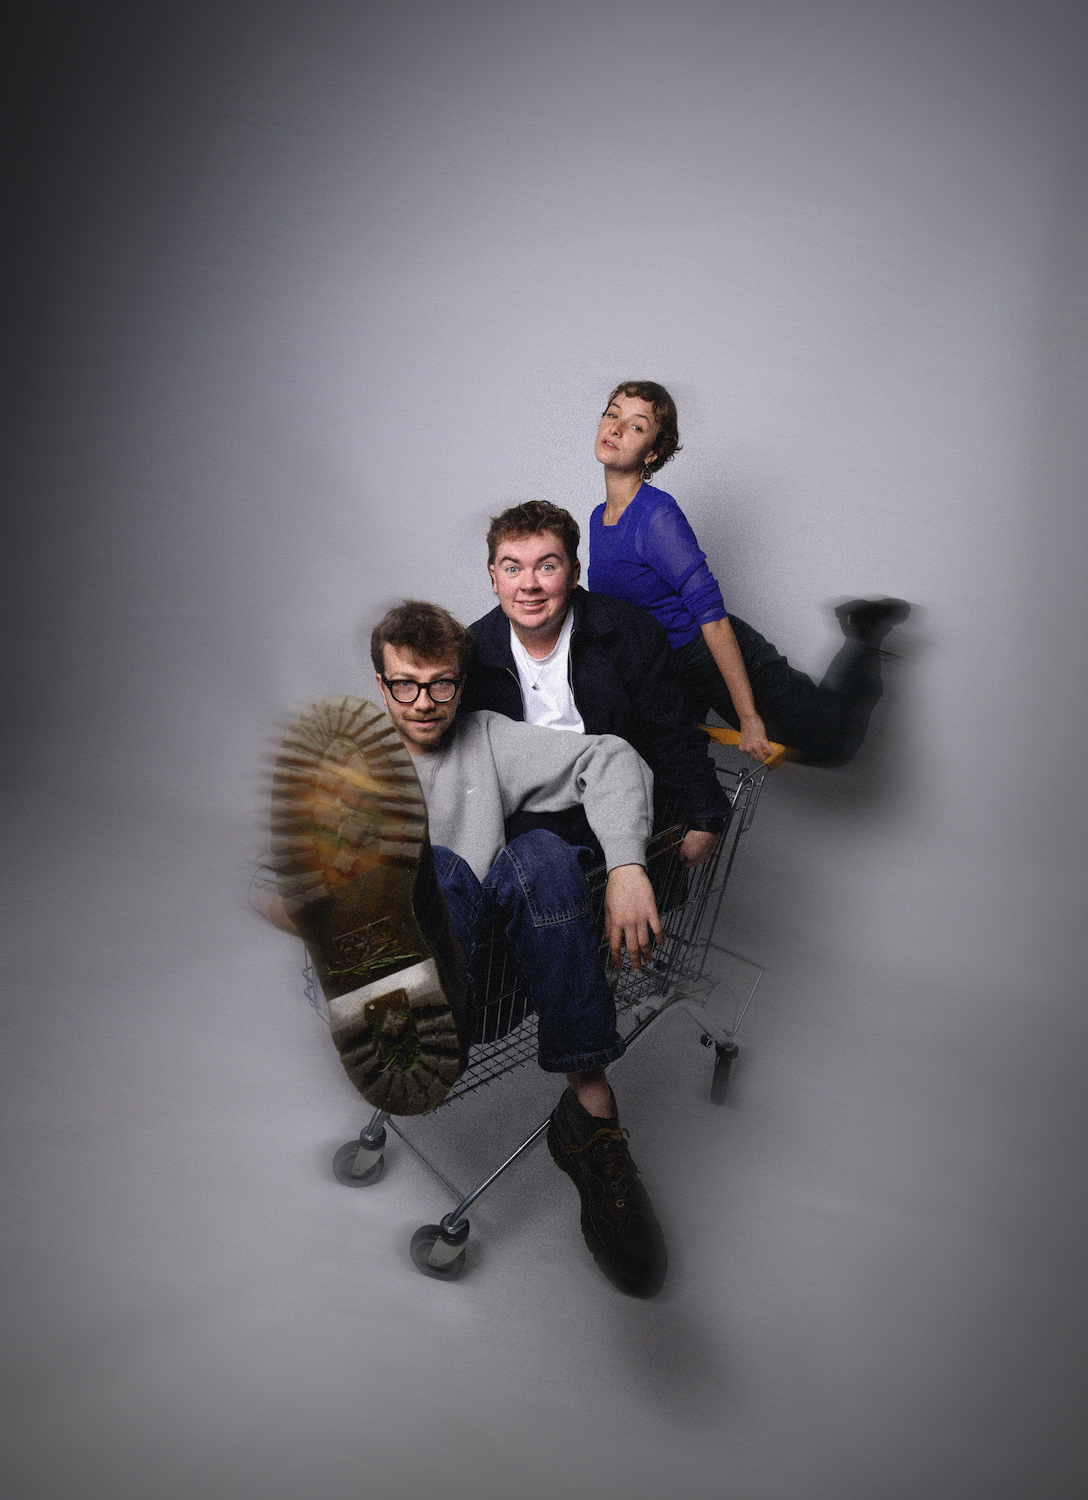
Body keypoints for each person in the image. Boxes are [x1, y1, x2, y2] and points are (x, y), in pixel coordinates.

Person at [267, 600, 668, 1298]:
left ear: (460, 681)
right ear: (381, 684)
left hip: (496, 983)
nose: (424, 703)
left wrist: (628, 866)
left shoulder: (485, 737)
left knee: (543, 853)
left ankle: (593, 1125)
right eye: (405, 685)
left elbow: (609, 757)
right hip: (410, 995)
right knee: (441, 870)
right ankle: (428, 1039)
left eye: (441, 684)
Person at [588, 380, 911, 766]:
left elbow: (712, 617)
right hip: (670, 672)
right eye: (612, 414)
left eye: (636, 426)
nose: (616, 428)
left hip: (711, 656)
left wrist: (749, 718)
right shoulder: (598, 518)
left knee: (832, 744)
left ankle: (864, 633)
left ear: (652, 453)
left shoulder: (657, 518)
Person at [461, 500, 732, 870]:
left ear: (573, 573)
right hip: (520, 824)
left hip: (615, 808)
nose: (529, 584)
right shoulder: (472, 653)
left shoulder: (631, 634)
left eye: (547, 566)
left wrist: (705, 816)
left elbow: (672, 734)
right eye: (513, 569)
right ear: (494, 578)